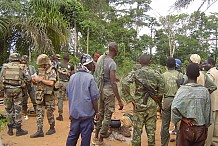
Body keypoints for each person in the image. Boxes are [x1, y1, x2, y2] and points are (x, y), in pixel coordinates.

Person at [121, 54, 165, 146]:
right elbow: (161, 90)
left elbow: (125, 83)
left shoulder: (136, 73)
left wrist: (130, 99)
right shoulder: (157, 74)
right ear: (150, 62)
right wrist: (157, 100)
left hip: (139, 106)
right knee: (151, 133)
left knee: (137, 132)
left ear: (140, 62)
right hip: (152, 106)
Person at [171, 63, 212, 146]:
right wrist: (205, 127)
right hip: (201, 128)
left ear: (186, 74)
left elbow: (174, 109)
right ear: (198, 74)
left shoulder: (182, 90)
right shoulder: (204, 91)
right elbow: (208, 113)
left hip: (186, 127)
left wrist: (183, 119)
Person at [94, 42, 124, 145]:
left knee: (100, 114)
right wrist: (119, 100)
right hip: (108, 92)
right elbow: (113, 83)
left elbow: (103, 76)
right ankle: (101, 139)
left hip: (100, 90)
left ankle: (96, 136)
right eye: (118, 48)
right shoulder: (112, 63)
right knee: (107, 116)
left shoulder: (101, 60)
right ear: (115, 50)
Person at [66, 54, 99, 146]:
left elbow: (69, 94)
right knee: (85, 139)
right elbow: (94, 98)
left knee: (72, 137)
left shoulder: (72, 77)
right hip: (87, 116)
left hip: (74, 114)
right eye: (92, 63)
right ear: (87, 65)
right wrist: (97, 112)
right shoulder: (90, 78)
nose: (93, 65)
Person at [0, 53, 31, 136]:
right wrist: (24, 84)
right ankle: (18, 129)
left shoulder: (5, 66)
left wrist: (2, 89)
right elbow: (29, 78)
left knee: (8, 110)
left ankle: (10, 129)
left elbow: (0, 78)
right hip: (17, 89)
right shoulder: (22, 66)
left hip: (7, 90)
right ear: (18, 59)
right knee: (18, 109)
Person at [30, 54, 56, 138]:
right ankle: (39, 130)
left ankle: (52, 128)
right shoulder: (40, 70)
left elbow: (52, 83)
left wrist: (40, 79)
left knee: (49, 112)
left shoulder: (52, 70)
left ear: (45, 63)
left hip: (49, 95)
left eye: (41, 64)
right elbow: (36, 82)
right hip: (40, 94)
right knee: (39, 112)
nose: (40, 66)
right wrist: (34, 80)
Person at [160, 58, 183, 146]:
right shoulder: (180, 75)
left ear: (166, 65)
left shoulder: (163, 75)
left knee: (165, 124)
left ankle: (164, 144)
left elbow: (160, 91)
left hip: (166, 100)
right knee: (178, 124)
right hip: (177, 100)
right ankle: (178, 143)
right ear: (175, 65)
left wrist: (159, 104)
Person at [204, 58, 218, 146]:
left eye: (205, 63)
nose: (204, 65)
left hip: (213, 102)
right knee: (217, 125)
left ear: (210, 64)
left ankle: (208, 143)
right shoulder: (217, 71)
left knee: (210, 126)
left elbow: (208, 87)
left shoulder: (210, 74)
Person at [20, 55, 37, 119]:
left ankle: (36, 111)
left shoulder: (31, 68)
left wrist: (33, 80)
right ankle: (25, 113)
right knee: (24, 100)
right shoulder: (19, 68)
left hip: (31, 85)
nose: (23, 61)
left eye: (24, 60)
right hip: (23, 87)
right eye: (22, 60)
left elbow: (34, 76)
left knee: (34, 98)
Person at [56, 54, 71, 121]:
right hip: (68, 83)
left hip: (61, 83)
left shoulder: (59, 65)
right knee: (71, 99)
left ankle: (60, 115)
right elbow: (72, 74)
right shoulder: (71, 65)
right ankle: (72, 114)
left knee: (60, 99)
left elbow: (56, 72)